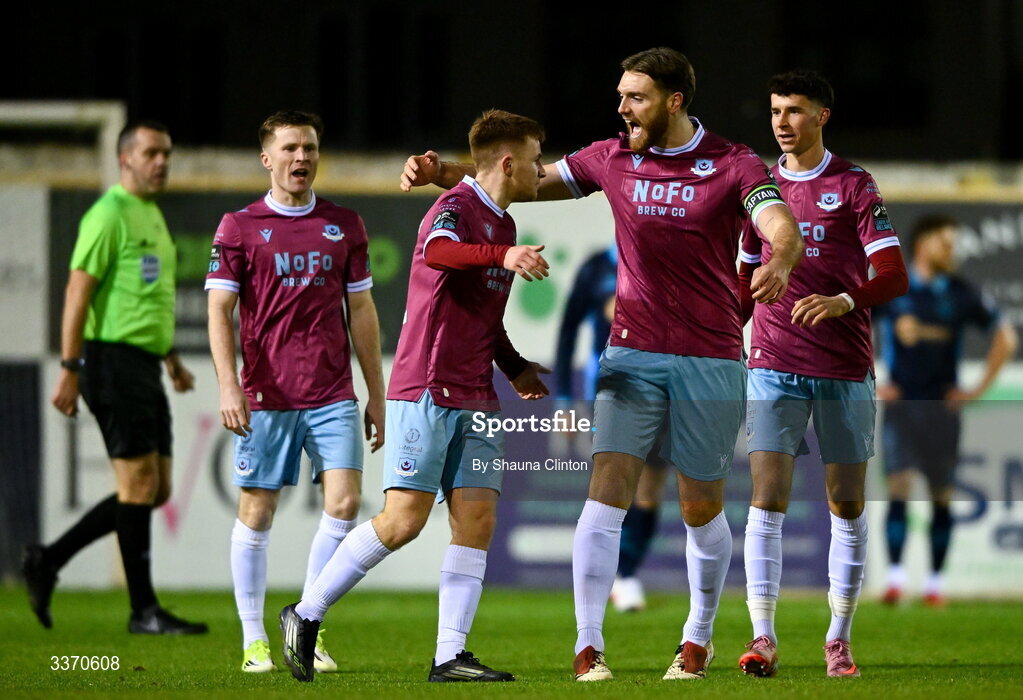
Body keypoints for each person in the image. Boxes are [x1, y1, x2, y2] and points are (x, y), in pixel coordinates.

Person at [401, 47, 804, 682]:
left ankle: (696, 639)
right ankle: (589, 646)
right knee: (606, 491)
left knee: (701, 506)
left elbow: (780, 222)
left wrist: (779, 259)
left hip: (711, 355)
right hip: (632, 352)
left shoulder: (733, 163)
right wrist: (444, 172)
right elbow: (523, 180)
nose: (621, 108)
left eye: (635, 97)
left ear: (673, 101)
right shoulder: (611, 156)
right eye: (620, 95)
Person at [279, 109, 552, 683]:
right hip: (427, 386)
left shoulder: (504, 224)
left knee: (476, 519)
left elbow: (483, 318)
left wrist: (516, 367)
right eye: (533, 160)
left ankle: (450, 655)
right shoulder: (455, 208)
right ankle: (305, 613)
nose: (540, 169)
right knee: (403, 521)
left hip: (476, 393)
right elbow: (438, 254)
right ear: (508, 162)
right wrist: (501, 257)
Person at [736, 70, 909, 679]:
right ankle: (762, 637)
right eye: (776, 110)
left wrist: (843, 301)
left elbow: (893, 275)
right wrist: (730, 335)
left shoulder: (853, 184)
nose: (782, 122)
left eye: (796, 111)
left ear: (822, 117)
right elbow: (745, 277)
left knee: (846, 502)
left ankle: (838, 638)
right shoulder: (758, 189)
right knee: (766, 499)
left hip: (842, 366)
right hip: (773, 364)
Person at [205, 111, 385, 673]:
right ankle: (253, 639)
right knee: (257, 512)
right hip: (265, 394)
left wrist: (376, 392)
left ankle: (308, 622)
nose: (300, 158)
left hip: (331, 391)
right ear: (268, 158)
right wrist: (228, 384)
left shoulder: (345, 225)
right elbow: (218, 308)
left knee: (346, 504)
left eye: (308, 148)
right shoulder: (239, 226)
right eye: (289, 149)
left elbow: (361, 309)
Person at [24, 121, 207, 635]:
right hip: (109, 362)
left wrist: (170, 358)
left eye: (166, 153)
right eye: (151, 152)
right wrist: (69, 367)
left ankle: (48, 559)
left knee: (157, 487)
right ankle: (143, 610)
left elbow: (142, 297)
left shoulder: (150, 214)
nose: (161, 162)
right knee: (139, 483)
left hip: (146, 363)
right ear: (125, 158)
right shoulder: (107, 215)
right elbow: (77, 292)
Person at [877, 214, 1017, 606]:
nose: (952, 250)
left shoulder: (960, 293)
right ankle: (895, 579)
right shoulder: (893, 288)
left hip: (942, 408)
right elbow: (850, 327)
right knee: (898, 487)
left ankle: (935, 585)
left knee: (941, 495)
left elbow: (1005, 337)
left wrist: (975, 391)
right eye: (946, 242)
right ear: (923, 245)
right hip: (902, 405)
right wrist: (872, 379)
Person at [554, 246, 668, 613]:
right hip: (608, 387)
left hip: (661, 382)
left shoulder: (664, 257)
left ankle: (626, 574)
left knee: (649, 489)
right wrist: (563, 400)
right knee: (614, 485)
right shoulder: (596, 266)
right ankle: (606, 576)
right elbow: (568, 331)